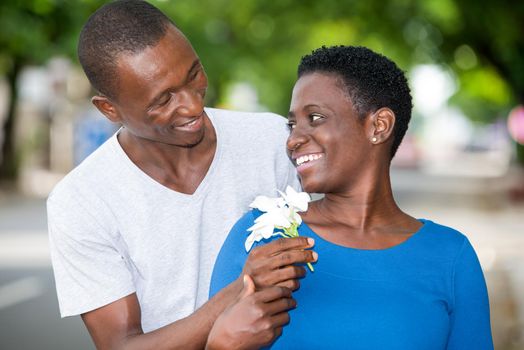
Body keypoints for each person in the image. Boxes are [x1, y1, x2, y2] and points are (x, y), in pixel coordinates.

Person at [47, 1, 317, 349]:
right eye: (162, 100)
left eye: (193, 75)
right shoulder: (80, 202)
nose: (192, 106)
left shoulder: (273, 141)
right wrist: (239, 291)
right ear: (109, 109)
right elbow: (120, 345)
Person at [209, 45, 494, 349]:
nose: (293, 140)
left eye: (315, 118)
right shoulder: (262, 237)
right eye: (292, 124)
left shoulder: (450, 256)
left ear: (378, 126)